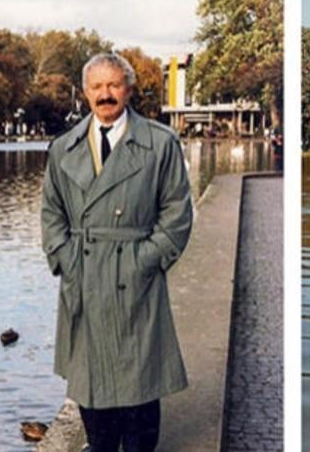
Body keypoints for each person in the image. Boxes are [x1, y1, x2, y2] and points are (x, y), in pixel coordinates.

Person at [41, 52, 193, 452]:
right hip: (85, 274)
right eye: (96, 87)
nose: (105, 94)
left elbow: (177, 214)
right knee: (90, 380)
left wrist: (147, 260)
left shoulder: (160, 143)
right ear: (85, 93)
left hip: (136, 274)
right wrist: (66, 260)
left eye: (113, 85)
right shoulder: (63, 149)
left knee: (141, 376)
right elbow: (51, 213)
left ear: (128, 89)